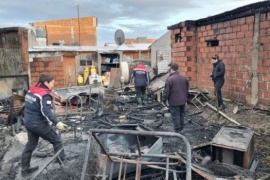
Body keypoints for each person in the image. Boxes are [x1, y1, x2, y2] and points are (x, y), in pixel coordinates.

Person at [21, 74, 68, 176]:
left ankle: (24, 170)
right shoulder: (44, 95)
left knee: (30, 145)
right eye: (52, 83)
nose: (53, 85)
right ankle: (63, 168)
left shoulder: (31, 90)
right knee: (56, 140)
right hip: (38, 124)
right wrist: (57, 123)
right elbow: (46, 111)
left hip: (28, 122)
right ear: (46, 83)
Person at [162, 63, 189, 133]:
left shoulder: (170, 79)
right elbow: (187, 89)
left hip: (174, 101)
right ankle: (182, 127)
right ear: (178, 68)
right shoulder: (184, 78)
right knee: (181, 114)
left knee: (175, 115)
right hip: (183, 100)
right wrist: (185, 98)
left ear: (171, 69)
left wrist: (164, 100)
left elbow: (166, 91)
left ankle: (178, 130)